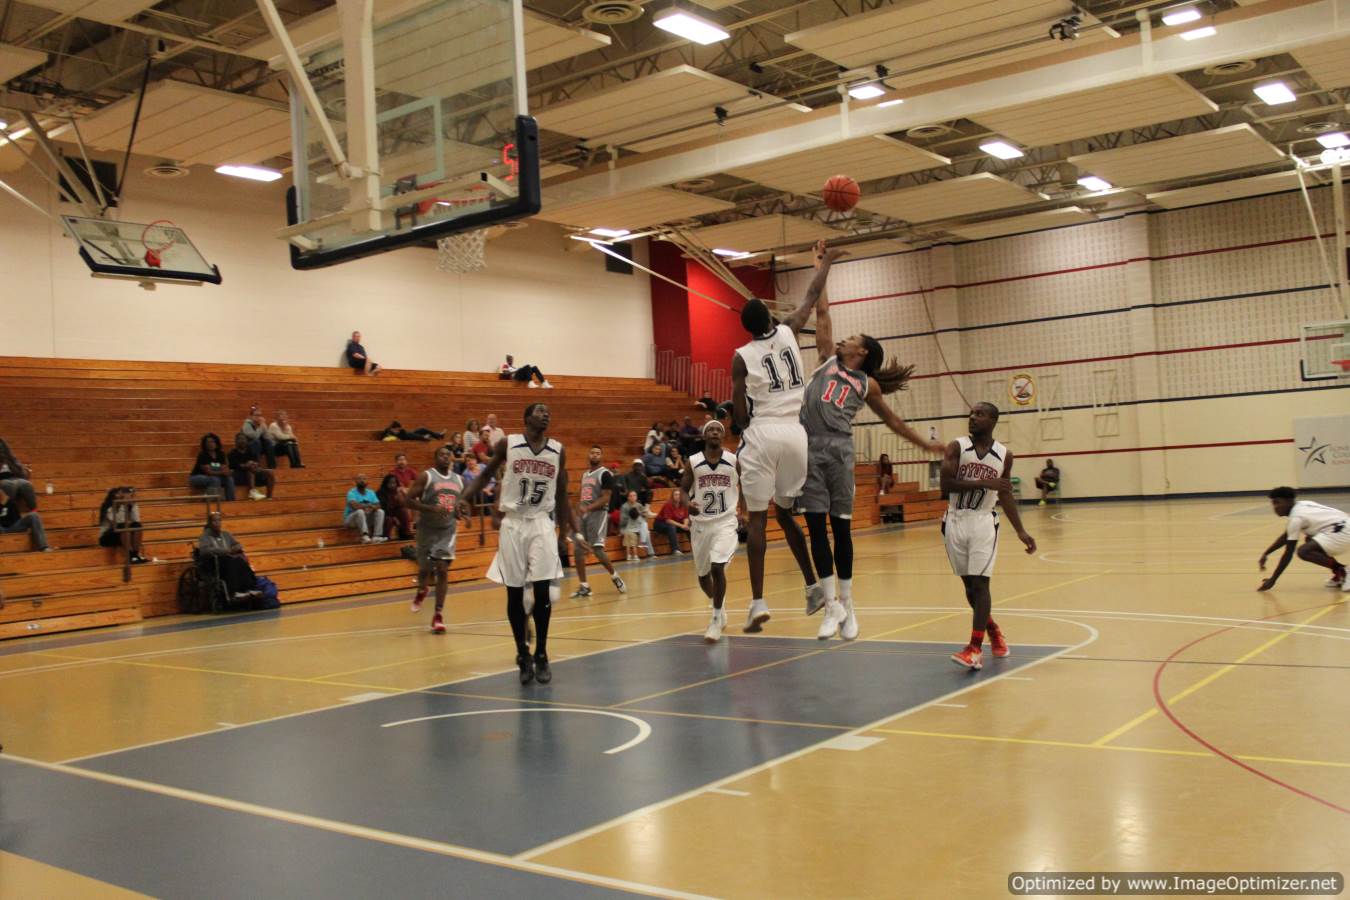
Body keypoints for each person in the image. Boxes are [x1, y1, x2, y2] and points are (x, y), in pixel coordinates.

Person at [801, 243, 945, 641]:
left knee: (841, 529)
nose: (842, 339)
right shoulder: (828, 358)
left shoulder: (869, 384)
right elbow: (823, 311)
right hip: (808, 447)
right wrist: (821, 265)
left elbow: (894, 422)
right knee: (815, 528)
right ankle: (830, 606)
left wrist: (925, 445)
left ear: (861, 352)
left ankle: (847, 602)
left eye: (850, 339)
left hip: (839, 449)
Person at [731, 247, 840, 633]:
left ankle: (758, 602)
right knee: (786, 512)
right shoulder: (790, 328)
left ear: (745, 328)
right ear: (770, 316)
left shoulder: (741, 356)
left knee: (758, 520)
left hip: (763, 432)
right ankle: (812, 587)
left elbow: (740, 415)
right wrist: (825, 262)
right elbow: (812, 294)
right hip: (797, 434)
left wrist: (740, 426)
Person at [462, 403, 571, 685]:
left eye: (548, 411)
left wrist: (563, 533)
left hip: (541, 523)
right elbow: (485, 475)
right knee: (513, 594)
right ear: (526, 418)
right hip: (512, 523)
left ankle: (542, 653)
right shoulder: (508, 444)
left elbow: (562, 494)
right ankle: (522, 653)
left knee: (544, 592)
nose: (546, 414)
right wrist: (465, 496)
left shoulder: (558, 450)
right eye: (539, 411)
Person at [941, 403, 1036, 670]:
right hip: (955, 519)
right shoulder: (956, 447)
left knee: (982, 585)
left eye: (980, 414)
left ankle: (974, 649)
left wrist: (1021, 530)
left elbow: (1004, 492)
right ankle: (993, 630)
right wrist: (985, 482)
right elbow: (945, 485)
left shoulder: (1004, 455)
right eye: (971, 413)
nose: (972, 417)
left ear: (993, 420)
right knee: (970, 588)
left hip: (983, 521)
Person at [683, 420, 741, 642]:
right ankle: (721, 604)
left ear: (723, 436)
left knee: (718, 567)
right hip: (701, 525)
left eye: (719, 430)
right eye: (711, 430)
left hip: (725, 522)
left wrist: (744, 510)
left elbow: (745, 482)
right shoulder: (693, 462)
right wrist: (687, 503)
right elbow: (682, 489)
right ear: (704, 436)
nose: (715, 432)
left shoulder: (734, 460)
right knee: (703, 576)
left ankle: (715, 620)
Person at [404, 446, 467, 633]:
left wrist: (464, 513)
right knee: (424, 568)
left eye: (449, 455)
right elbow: (408, 500)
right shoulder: (427, 476)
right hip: (426, 529)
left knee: (442, 568)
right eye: (442, 454)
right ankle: (422, 590)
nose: (446, 457)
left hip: (447, 530)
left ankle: (438, 615)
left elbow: (462, 504)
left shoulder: (460, 480)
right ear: (435, 458)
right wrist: (431, 509)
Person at [1257, 487, 1349, 593]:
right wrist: (1267, 553)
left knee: (1304, 551)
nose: (1275, 507)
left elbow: (1288, 553)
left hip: (1343, 534)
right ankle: (1339, 573)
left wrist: (1273, 580)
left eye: (1277, 503)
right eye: (1273, 504)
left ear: (1288, 501)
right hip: (1343, 527)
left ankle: (1344, 571)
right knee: (1309, 540)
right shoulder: (1303, 504)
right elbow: (1286, 536)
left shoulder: (1297, 518)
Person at [569, 446, 626, 599]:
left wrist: (588, 508)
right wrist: (579, 507)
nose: (594, 455)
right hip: (585, 515)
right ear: (589, 455)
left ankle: (615, 576)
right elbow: (583, 497)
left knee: (598, 549)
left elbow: (606, 498)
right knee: (578, 549)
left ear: (601, 456)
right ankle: (584, 586)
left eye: (598, 453)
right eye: (592, 452)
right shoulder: (585, 474)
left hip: (598, 514)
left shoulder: (605, 474)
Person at [197, 511, 260, 601]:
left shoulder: (226, 534)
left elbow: (238, 545)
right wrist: (225, 551)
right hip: (214, 563)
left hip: (228, 560)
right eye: (215, 521)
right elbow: (205, 551)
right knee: (232, 562)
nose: (217, 523)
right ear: (210, 523)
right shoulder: (205, 537)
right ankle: (234, 592)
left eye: (219, 520)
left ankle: (250, 588)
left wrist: (233, 549)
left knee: (240, 561)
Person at [98, 486, 147, 563]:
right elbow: (117, 523)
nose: (125, 495)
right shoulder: (108, 505)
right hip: (107, 536)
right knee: (123, 526)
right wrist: (124, 505)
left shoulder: (129, 505)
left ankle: (135, 555)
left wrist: (132, 506)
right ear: (115, 495)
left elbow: (137, 520)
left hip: (123, 534)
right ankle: (131, 555)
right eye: (122, 493)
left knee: (137, 526)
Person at [0, 484, 51, 551]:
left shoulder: (10, 502)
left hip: (14, 526)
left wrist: (5, 503)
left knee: (34, 515)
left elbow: (17, 518)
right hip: (1, 529)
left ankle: (44, 547)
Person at [228, 432, 275, 500]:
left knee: (270, 472)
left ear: (247, 441)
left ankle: (269, 497)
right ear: (236, 441)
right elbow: (234, 466)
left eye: (244, 439)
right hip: (239, 475)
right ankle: (252, 492)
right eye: (240, 439)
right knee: (249, 469)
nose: (242, 441)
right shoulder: (232, 453)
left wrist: (254, 464)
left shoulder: (251, 451)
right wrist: (246, 465)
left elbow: (257, 463)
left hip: (253, 472)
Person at [189, 433, 235, 501]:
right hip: (197, 477)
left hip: (214, 476)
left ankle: (230, 501)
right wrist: (222, 472)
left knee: (229, 479)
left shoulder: (220, 454)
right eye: (208, 442)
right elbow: (208, 472)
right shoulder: (202, 455)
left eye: (212, 441)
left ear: (216, 443)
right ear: (204, 444)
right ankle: (211, 502)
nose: (210, 444)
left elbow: (224, 468)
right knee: (215, 479)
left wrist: (226, 472)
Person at [344, 474, 387, 543]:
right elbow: (355, 506)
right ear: (355, 482)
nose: (362, 481)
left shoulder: (371, 492)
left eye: (364, 479)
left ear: (367, 482)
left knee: (380, 511)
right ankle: (364, 536)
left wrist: (372, 507)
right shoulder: (351, 493)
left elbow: (378, 505)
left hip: (366, 518)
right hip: (351, 520)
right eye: (359, 479)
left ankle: (376, 536)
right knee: (360, 511)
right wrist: (370, 505)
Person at [0, 437, 37, 513]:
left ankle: (34, 512)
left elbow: (16, 464)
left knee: (26, 484)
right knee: (9, 485)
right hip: (2, 480)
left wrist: (24, 472)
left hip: (13, 477)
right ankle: (5, 513)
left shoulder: (8, 457)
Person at [653, 488, 692, 556]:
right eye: (676, 495)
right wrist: (681, 525)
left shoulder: (683, 504)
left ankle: (694, 547)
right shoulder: (668, 504)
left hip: (675, 523)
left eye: (679, 494)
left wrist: (685, 525)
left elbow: (686, 517)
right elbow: (668, 520)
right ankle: (675, 550)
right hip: (660, 524)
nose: (678, 496)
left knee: (689, 527)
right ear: (672, 496)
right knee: (671, 527)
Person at [377, 474, 412, 541]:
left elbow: (403, 505)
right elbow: (383, 508)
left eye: (394, 483)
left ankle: (405, 534)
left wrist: (400, 495)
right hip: (385, 513)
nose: (392, 485)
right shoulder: (380, 492)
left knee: (403, 511)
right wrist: (394, 518)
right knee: (390, 519)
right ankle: (386, 537)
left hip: (394, 512)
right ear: (386, 483)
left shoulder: (397, 491)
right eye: (390, 483)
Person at [619, 491, 652, 562]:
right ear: (628, 498)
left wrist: (644, 515)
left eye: (634, 495)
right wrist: (633, 517)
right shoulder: (624, 507)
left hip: (637, 526)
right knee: (630, 536)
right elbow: (622, 522)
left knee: (647, 531)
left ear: (636, 497)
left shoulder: (639, 505)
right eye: (631, 496)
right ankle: (631, 555)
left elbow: (645, 516)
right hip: (627, 527)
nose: (633, 497)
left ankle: (650, 553)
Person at [380, 421, 444, 442]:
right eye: (398, 429)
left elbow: (410, 434)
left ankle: (438, 435)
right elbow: (384, 439)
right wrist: (423, 438)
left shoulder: (400, 432)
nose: (398, 431)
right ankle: (425, 437)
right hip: (408, 437)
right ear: (392, 429)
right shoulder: (387, 433)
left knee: (422, 429)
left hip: (409, 434)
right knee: (412, 435)